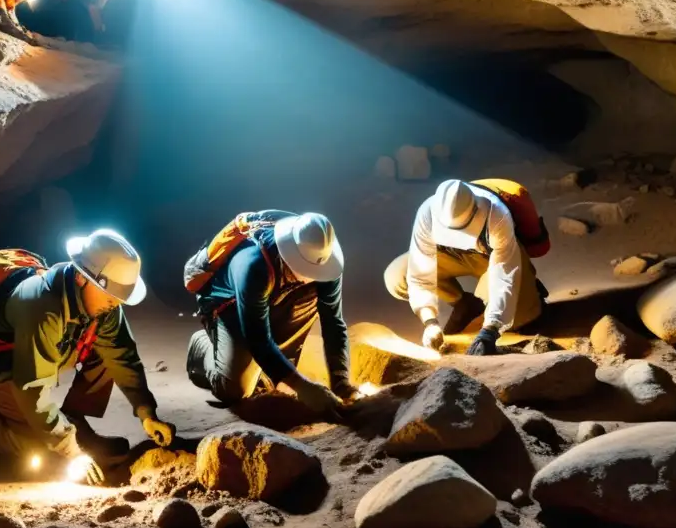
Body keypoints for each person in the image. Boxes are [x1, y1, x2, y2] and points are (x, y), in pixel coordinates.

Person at [0, 229, 175, 484]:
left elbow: (122, 355)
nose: (115, 304)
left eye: (119, 298)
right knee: (40, 452)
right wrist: (71, 451)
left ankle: (75, 422)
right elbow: (32, 390)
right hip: (7, 363)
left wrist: (146, 412)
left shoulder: (104, 303)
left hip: (52, 349)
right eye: (111, 296)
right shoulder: (43, 306)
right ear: (85, 279)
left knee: (107, 352)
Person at [184, 211, 357, 417]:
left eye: (317, 271)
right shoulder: (253, 264)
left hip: (274, 296)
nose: (314, 276)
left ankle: (271, 365)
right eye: (306, 270)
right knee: (236, 390)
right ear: (289, 255)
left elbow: (333, 323)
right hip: (229, 305)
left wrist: (341, 383)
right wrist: (303, 387)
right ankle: (202, 346)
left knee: (272, 376)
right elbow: (257, 339)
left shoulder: (325, 261)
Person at [384, 179, 550, 356]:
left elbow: (504, 273)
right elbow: (419, 274)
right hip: (452, 255)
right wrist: (430, 322)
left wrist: (491, 329)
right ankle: (464, 304)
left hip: (493, 259)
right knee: (398, 275)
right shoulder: (427, 212)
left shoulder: (496, 213)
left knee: (517, 320)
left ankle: (529, 289)